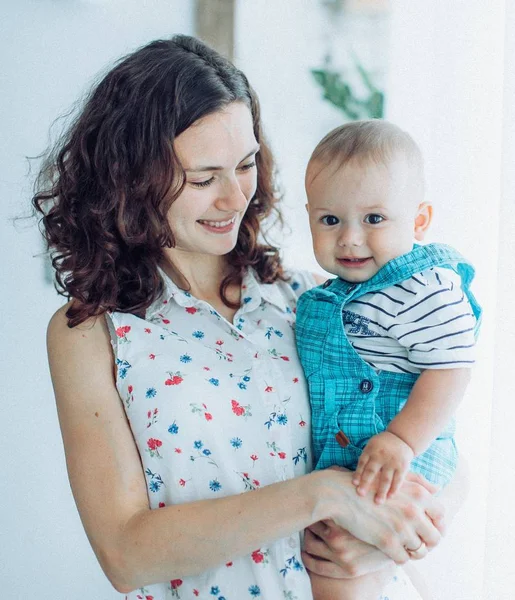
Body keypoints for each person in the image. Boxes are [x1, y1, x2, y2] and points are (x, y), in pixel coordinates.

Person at [33, 36, 449, 600]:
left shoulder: (311, 299)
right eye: (204, 179)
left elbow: (448, 449)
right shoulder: (94, 334)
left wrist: (388, 533)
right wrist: (323, 495)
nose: (236, 198)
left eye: (246, 165)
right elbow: (125, 555)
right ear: (131, 179)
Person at [296, 120, 481, 599]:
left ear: (419, 221)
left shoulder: (425, 286)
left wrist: (401, 439)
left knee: (340, 568)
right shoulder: (336, 293)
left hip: (402, 454)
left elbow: (451, 369)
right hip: (359, 456)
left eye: (374, 219)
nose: (350, 239)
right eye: (330, 220)